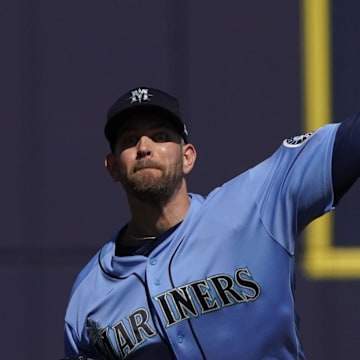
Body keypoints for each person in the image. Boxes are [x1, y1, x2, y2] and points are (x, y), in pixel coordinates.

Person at [63, 86, 360, 360]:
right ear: (113, 166)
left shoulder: (255, 204)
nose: (144, 147)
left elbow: (347, 143)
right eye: (129, 140)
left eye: (160, 136)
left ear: (187, 157)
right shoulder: (89, 295)